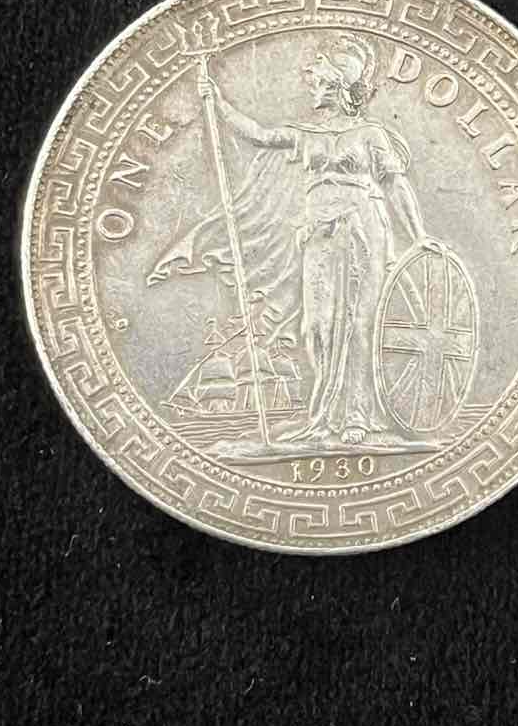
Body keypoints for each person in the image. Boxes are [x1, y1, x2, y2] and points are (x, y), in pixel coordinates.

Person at [150, 33, 442, 447]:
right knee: (316, 326)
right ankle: (324, 417)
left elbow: (396, 185)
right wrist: (216, 102)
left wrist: (419, 235)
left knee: (359, 325)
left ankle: (357, 416)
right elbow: (259, 134)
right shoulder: (305, 133)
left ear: (337, 87)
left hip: (364, 229)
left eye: (319, 82)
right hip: (318, 233)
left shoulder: (371, 135)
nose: (312, 88)